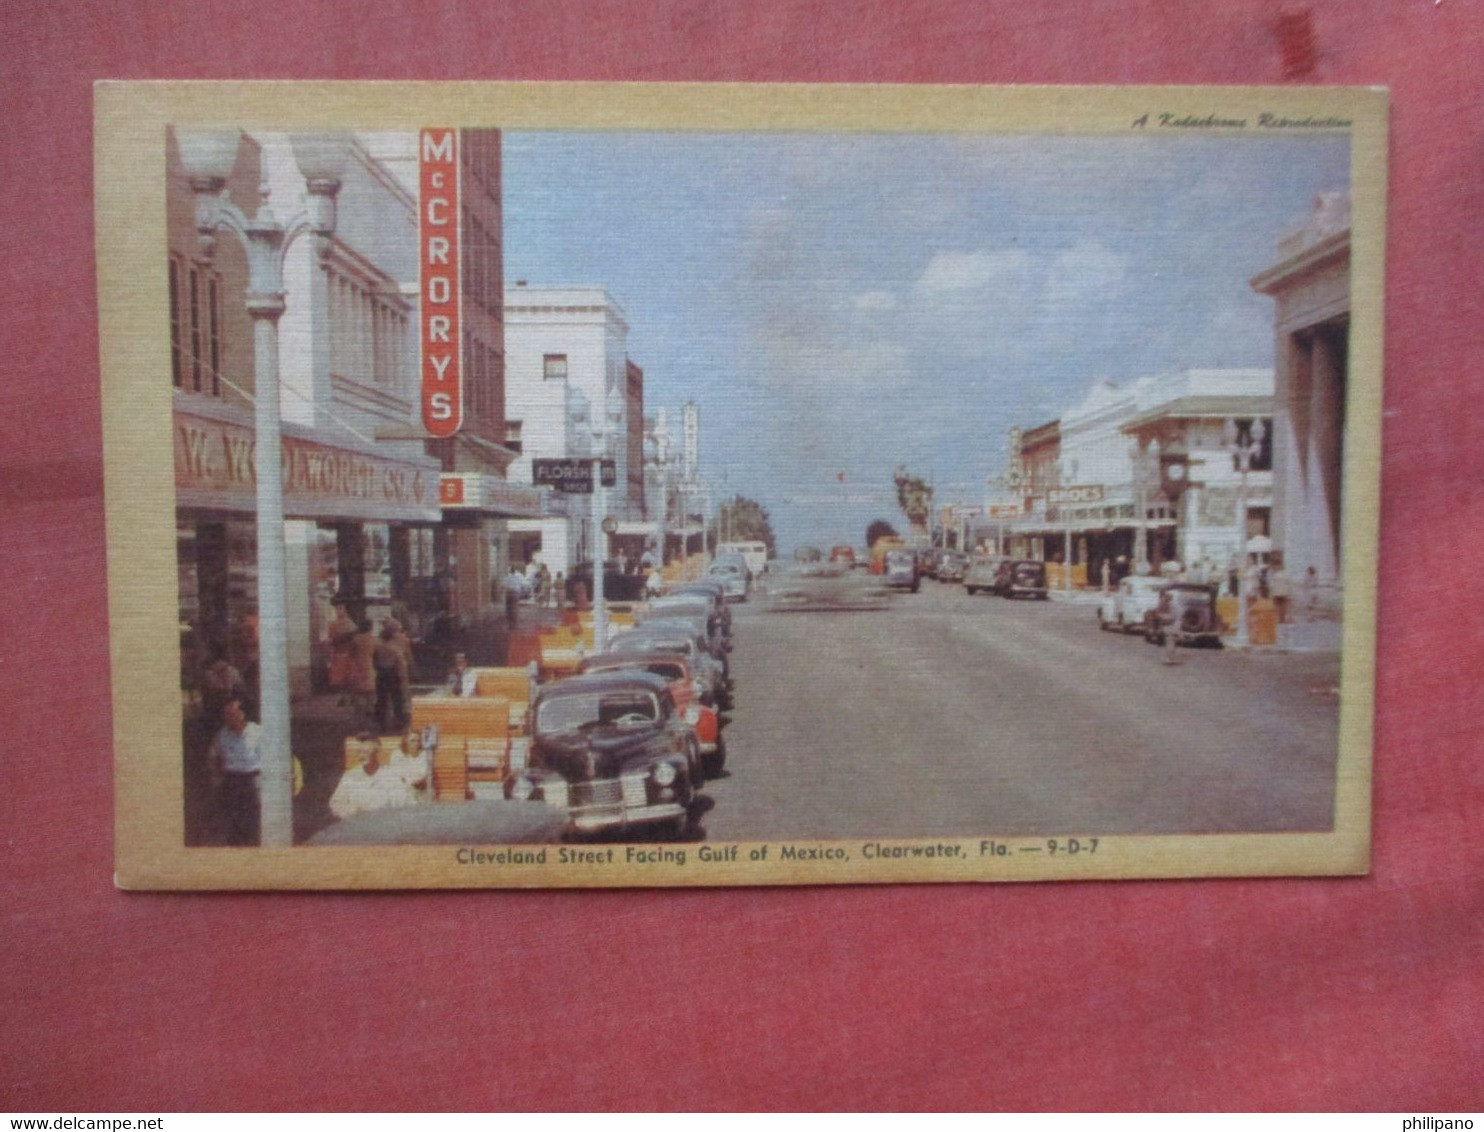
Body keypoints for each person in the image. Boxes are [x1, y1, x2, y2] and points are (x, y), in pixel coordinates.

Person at [209, 697, 262, 846]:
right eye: (225, 714)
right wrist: (216, 779)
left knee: (253, 825)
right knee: (232, 826)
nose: (226, 717)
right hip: (231, 781)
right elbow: (213, 756)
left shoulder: (258, 732)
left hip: (253, 781)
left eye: (230, 713)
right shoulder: (222, 735)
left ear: (242, 714)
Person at [373, 620, 410, 733]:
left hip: (381, 673)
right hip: (392, 673)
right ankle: (399, 720)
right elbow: (401, 663)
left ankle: (381, 722)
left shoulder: (377, 646)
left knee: (381, 699)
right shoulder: (395, 648)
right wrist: (403, 677)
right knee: (396, 698)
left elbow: (373, 659)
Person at [347, 619, 377, 721]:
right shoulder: (373, 640)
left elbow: (351, 654)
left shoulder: (356, 639)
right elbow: (376, 654)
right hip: (370, 666)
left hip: (357, 666)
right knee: (371, 693)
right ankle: (370, 713)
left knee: (359, 693)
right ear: (370, 627)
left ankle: (359, 715)